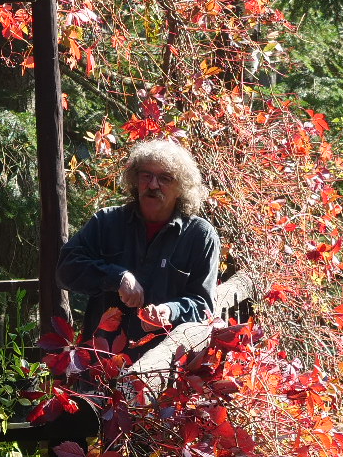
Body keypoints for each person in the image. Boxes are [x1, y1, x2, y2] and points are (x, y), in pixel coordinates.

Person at [57, 139, 220, 345]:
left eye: (165, 178)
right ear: (135, 179)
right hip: (103, 363)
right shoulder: (106, 222)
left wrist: (170, 311)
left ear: (181, 187)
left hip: (165, 366)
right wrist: (118, 277)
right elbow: (65, 270)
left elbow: (203, 306)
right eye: (146, 175)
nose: (152, 185)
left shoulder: (200, 236)